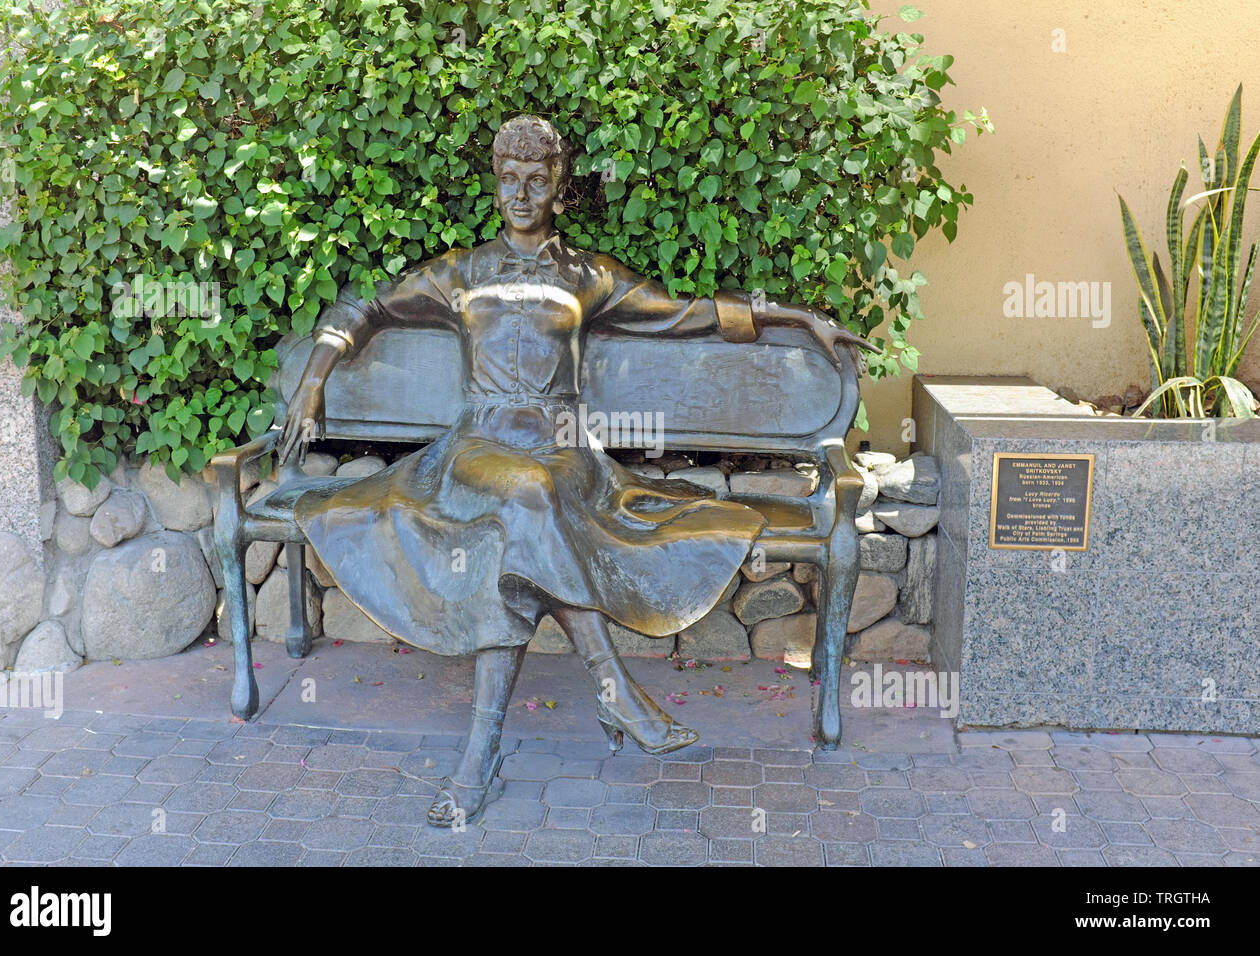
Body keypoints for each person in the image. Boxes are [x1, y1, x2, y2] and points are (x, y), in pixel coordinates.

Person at [278, 115, 876, 826]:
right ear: (495, 186)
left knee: (523, 533)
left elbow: (684, 314)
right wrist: (313, 380)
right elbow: (364, 307)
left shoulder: (587, 277)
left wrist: (795, 316)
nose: (522, 192)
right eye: (509, 179)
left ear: (560, 188)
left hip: (565, 449)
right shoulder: (459, 274)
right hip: (477, 449)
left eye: (537, 179)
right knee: (528, 499)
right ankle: (612, 684)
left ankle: (479, 761)